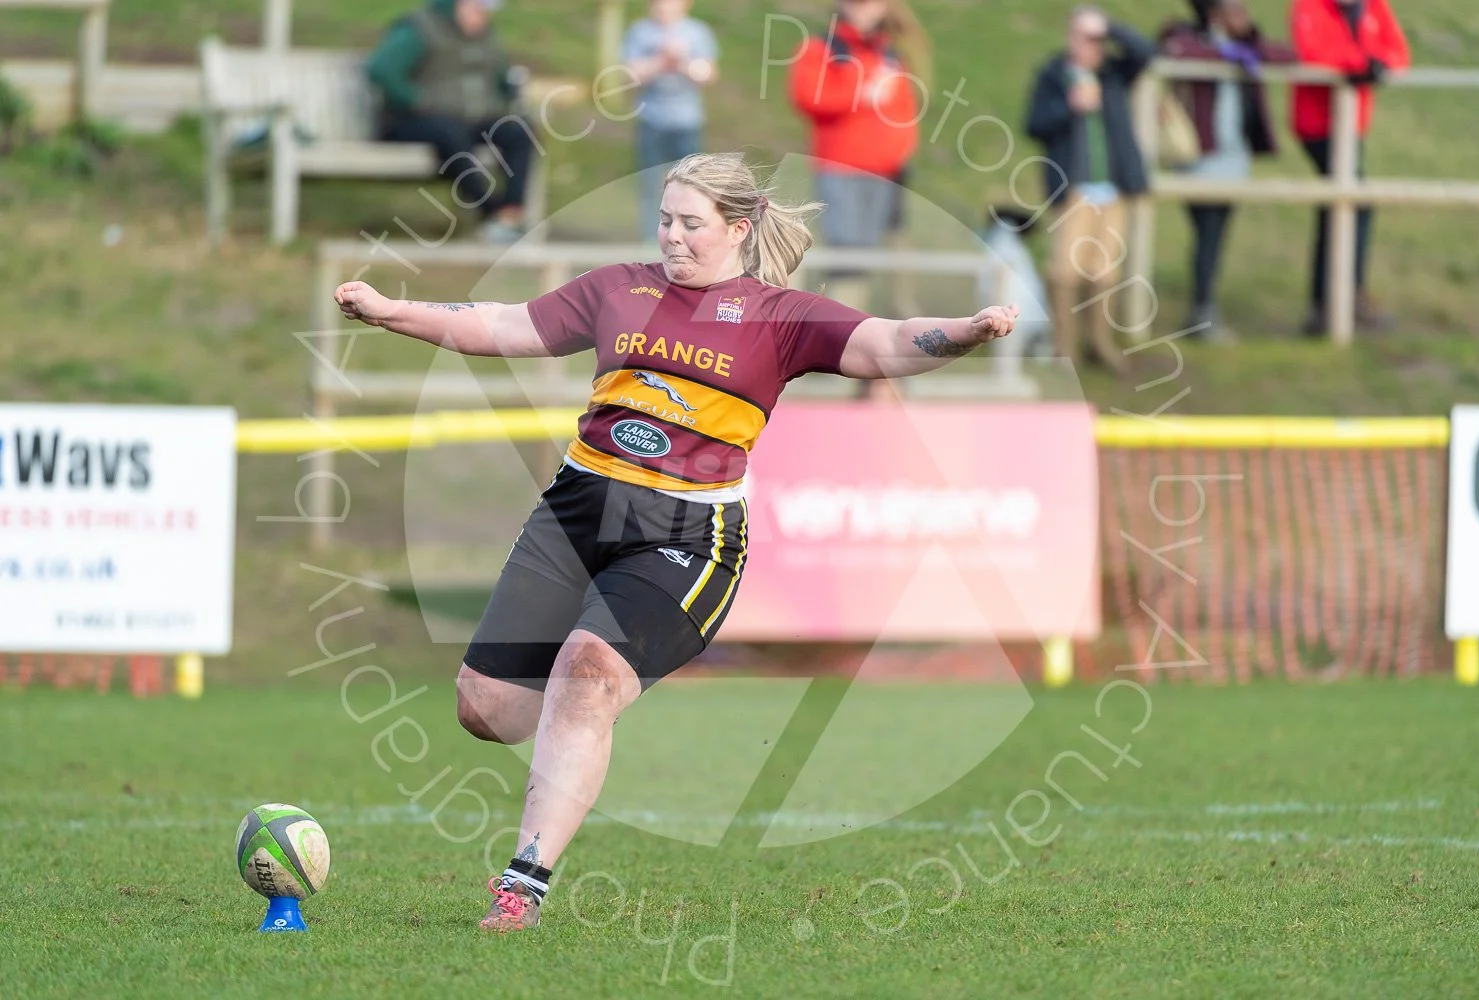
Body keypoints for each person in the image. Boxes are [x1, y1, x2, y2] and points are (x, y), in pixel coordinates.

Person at [331, 152, 1020, 933]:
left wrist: (966, 331)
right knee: (488, 707)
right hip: (576, 512)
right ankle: (579, 724)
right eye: (665, 220)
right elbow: (500, 325)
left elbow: (885, 343)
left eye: (692, 223)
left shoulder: (778, 317)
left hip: (689, 536)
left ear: (739, 228)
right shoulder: (617, 289)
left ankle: (523, 885)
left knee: (586, 677)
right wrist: (391, 310)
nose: (673, 236)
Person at [1024, 6, 1154, 375]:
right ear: (1071, 38)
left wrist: (1110, 27)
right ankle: (1064, 348)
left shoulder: (1113, 73)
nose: (1093, 46)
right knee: (1065, 270)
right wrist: (1069, 108)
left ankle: (1100, 344)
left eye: (1099, 40)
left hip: (1112, 189)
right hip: (1073, 190)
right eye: (1086, 38)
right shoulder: (1053, 75)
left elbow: (1145, 53)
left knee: (1105, 271)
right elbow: (1034, 124)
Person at [1159, 0, 1297, 342]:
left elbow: (1287, 55)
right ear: (1215, 15)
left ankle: (1203, 308)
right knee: (1207, 233)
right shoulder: (1185, 36)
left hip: (1234, 160)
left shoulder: (1246, 47)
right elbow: (1175, 51)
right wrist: (1223, 54)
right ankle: (1202, 312)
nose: (1245, 15)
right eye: (1237, 10)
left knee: (1215, 235)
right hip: (1200, 158)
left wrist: (1246, 47)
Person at [788, 0, 919, 319]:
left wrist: (902, 148)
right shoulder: (822, 48)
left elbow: (904, 108)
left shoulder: (888, 53)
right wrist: (859, 92)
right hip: (840, 168)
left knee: (875, 252)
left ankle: (874, 327)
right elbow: (807, 96)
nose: (864, 9)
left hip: (885, 171)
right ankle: (842, 328)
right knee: (847, 251)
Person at [367, 0, 536, 244]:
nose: (482, 16)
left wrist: (508, 97)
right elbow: (381, 70)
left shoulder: (486, 37)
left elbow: (500, 78)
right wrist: (418, 100)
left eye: (485, 10)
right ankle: (491, 212)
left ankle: (510, 214)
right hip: (414, 121)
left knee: (519, 131)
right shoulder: (418, 30)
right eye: (477, 8)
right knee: (451, 134)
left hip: (470, 119)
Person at [1289, 0, 1409, 336]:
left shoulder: (1373, 7)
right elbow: (1314, 53)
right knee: (1353, 203)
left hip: (1351, 123)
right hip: (1319, 124)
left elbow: (1397, 52)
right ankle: (1341, 298)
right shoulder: (1310, 6)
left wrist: (1378, 65)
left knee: (1341, 206)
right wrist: (1359, 64)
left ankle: (1330, 301)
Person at [621, 0, 719, 244]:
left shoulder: (697, 32)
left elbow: (708, 75)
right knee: (650, 183)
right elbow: (631, 75)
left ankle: (691, 235)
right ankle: (650, 239)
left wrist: (682, 60)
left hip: (687, 120)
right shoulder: (640, 32)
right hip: (650, 119)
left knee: (692, 185)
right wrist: (661, 60)